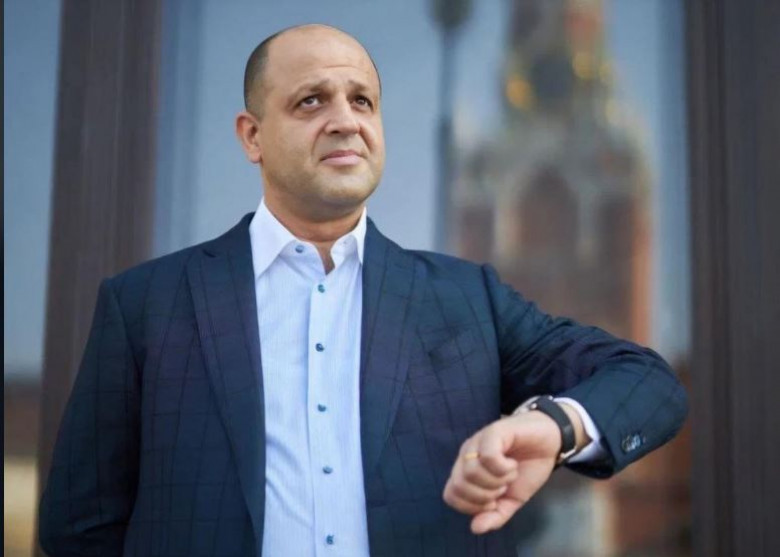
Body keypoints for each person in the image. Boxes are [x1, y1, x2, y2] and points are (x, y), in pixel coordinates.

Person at [38, 24, 688, 557]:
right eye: (311, 101)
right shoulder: (147, 306)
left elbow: (646, 381)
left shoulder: (469, 301)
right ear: (252, 136)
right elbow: (79, 528)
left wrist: (555, 426)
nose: (345, 121)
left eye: (362, 101)